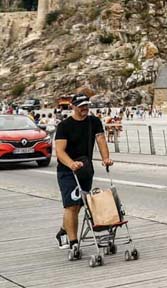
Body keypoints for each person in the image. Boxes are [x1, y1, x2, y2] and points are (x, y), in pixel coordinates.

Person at [54, 90, 113, 256]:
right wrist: (71, 164)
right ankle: (73, 243)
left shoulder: (93, 122)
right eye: (80, 107)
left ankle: (62, 232)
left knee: (79, 205)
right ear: (73, 107)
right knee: (71, 205)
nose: (84, 109)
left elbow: (101, 140)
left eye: (86, 106)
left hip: (85, 170)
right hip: (67, 171)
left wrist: (106, 158)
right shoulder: (64, 126)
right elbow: (59, 151)